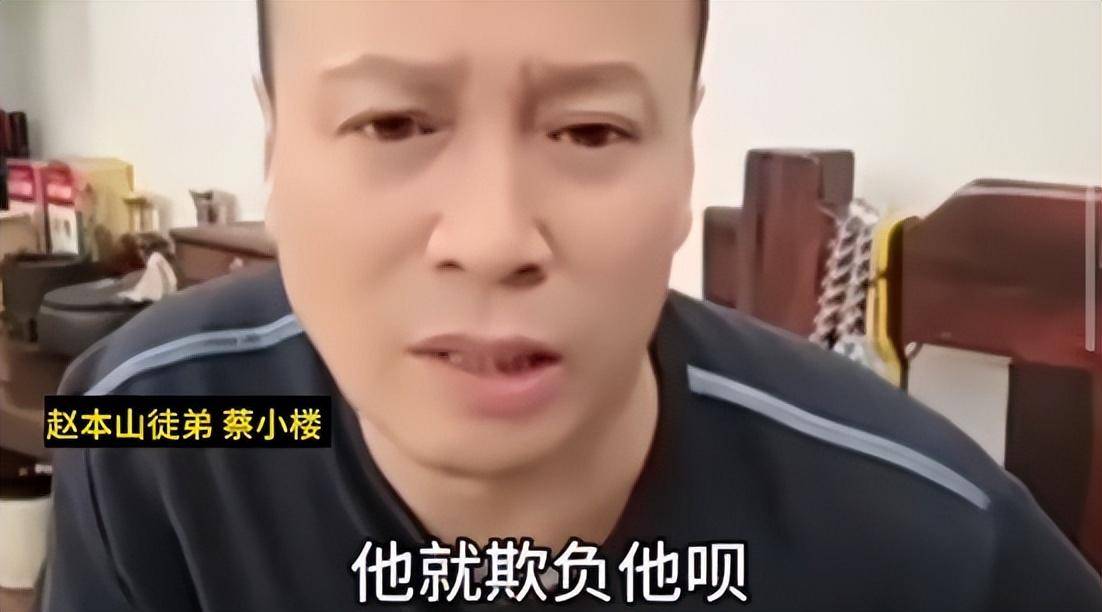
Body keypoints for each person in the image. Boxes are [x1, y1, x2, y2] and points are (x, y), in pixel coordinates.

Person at [40, 1, 1102, 610]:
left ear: (683, 158)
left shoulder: (925, 542)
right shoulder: (163, 429)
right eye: (394, 123)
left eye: (591, 132)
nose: (494, 237)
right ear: (275, 146)